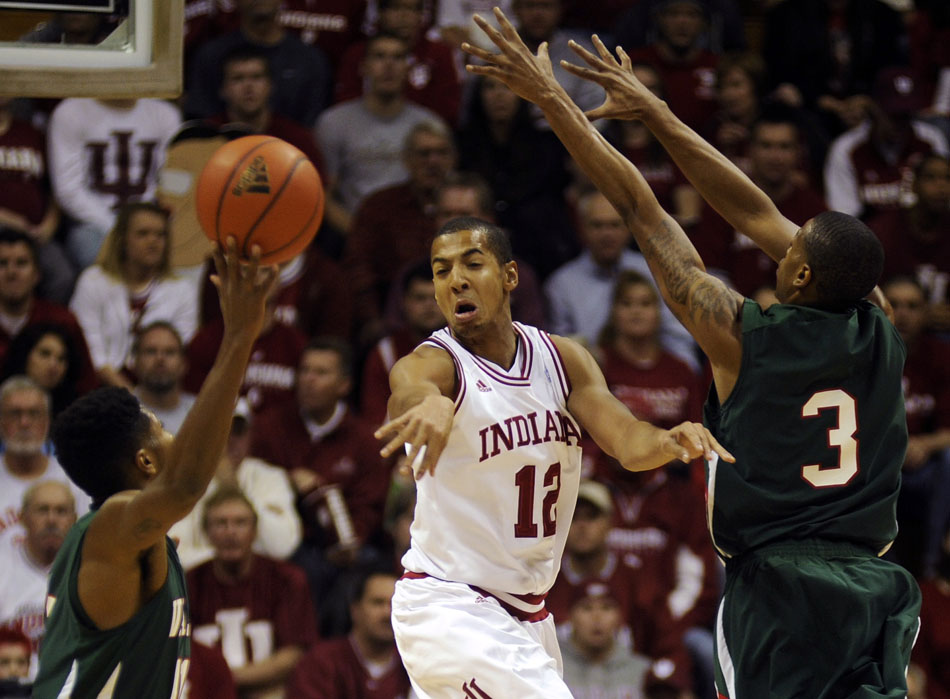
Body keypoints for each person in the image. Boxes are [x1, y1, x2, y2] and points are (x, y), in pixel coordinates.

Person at [460, 10, 920, 696]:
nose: (777, 239)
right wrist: (657, 112)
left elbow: (641, 209)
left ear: (798, 275)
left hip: (782, 590)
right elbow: (760, 212)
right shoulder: (882, 322)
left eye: (791, 248)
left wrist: (554, 98)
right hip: (876, 589)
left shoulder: (739, 334)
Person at [374, 213, 731, 696]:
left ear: (509, 276)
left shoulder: (562, 360)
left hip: (527, 616)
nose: (455, 280)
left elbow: (626, 441)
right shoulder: (437, 363)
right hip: (450, 607)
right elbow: (408, 389)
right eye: (442, 271)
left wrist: (668, 442)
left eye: (471, 264)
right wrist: (430, 405)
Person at [31, 241, 278, 698]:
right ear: (144, 461)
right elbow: (186, 484)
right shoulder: (113, 525)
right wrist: (240, 335)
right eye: (162, 429)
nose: (175, 436)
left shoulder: (129, 534)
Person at [544, 190, 698, 371]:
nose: (607, 234)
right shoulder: (561, 285)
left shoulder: (655, 272)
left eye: (614, 225)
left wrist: (684, 378)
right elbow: (559, 351)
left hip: (653, 379)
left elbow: (677, 338)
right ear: (581, 228)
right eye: (597, 225)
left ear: (629, 228)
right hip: (590, 380)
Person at [187, 487, 317, 698]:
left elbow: (294, 653)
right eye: (220, 523)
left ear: (255, 531)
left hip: (268, 689)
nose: (230, 532)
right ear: (206, 533)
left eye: (240, 522)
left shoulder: (286, 579)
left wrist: (226, 678)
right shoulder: (189, 583)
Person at [315, 33, 446, 234]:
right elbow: (322, 195)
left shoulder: (429, 124)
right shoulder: (333, 123)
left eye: (398, 57)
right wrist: (362, 237)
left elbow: (441, 191)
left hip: (416, 237)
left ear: (408, 68)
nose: (389, 65)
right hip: (351, 234)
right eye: (379, 56)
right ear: (364, 67)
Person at [69, 202, 199, 390]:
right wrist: (132, 398)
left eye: (160, 235)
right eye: (143, 234)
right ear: (122, 240)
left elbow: (179, 351)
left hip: (159, 392)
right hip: (97, 389)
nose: (153, 241)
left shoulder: (182, 290)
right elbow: (89, 350)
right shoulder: (93, 281)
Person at [46, 98, 181, 268]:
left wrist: (155, 222)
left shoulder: (164, 114)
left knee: (187, 248)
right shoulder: (71, 111)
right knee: (90, 247)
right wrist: (119, 229)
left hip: (153, 220)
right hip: (94, 223)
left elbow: (175, 179)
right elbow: (68, 190)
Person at [168, 398, 301, 570]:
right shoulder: (183, 481)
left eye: (237, 431)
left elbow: (282, 546)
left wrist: (234, 488)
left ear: (249, 436)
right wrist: (233, 558)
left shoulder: (271, 478)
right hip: (199, 587)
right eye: (222, 431)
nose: (230, 440)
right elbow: (175, 553)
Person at [882, 276, 950, 579]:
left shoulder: (942, 356)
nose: (903, 314)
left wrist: (924, 445)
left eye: (913, 306)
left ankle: (932, 567)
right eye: (894, 305)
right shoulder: (859, 352)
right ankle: (885, 570)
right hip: (877, 462)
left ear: (927, 312)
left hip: (925, 466)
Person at [287, 569, 412, 698]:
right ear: (355, 610)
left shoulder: (413, 665)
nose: (387, 613)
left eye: (395, 605)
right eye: (377, 603)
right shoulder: (321, 662)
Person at [0, 229, 97, 395]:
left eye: (21, 263)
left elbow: (87, 387)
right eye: (2, 263)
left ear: (37, 274)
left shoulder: (62, 320)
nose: (12, 272)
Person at [0, 481, 76, 680]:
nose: (51, 519)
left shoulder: (88, 573)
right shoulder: (3, 568)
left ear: (74, 519)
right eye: (42, 510)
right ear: (23, 518)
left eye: (61, 511)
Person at [0, 377, 89, 536]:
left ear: (47, 421)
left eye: (34, 413)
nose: (24, 423)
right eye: (15, 413)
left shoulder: (75, 481)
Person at [0, 323, 83, 419]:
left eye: (61, 359)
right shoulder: (3, 396)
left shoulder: (73, 411)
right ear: (26, 355)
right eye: (45, 354)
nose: (53, 365)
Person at [130, 322, 196, 436]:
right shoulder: (120, 414)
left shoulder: (201, 412)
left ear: (184, 363)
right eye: (150, 351)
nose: (160, 358)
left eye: (170, 352)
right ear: (135, 362)